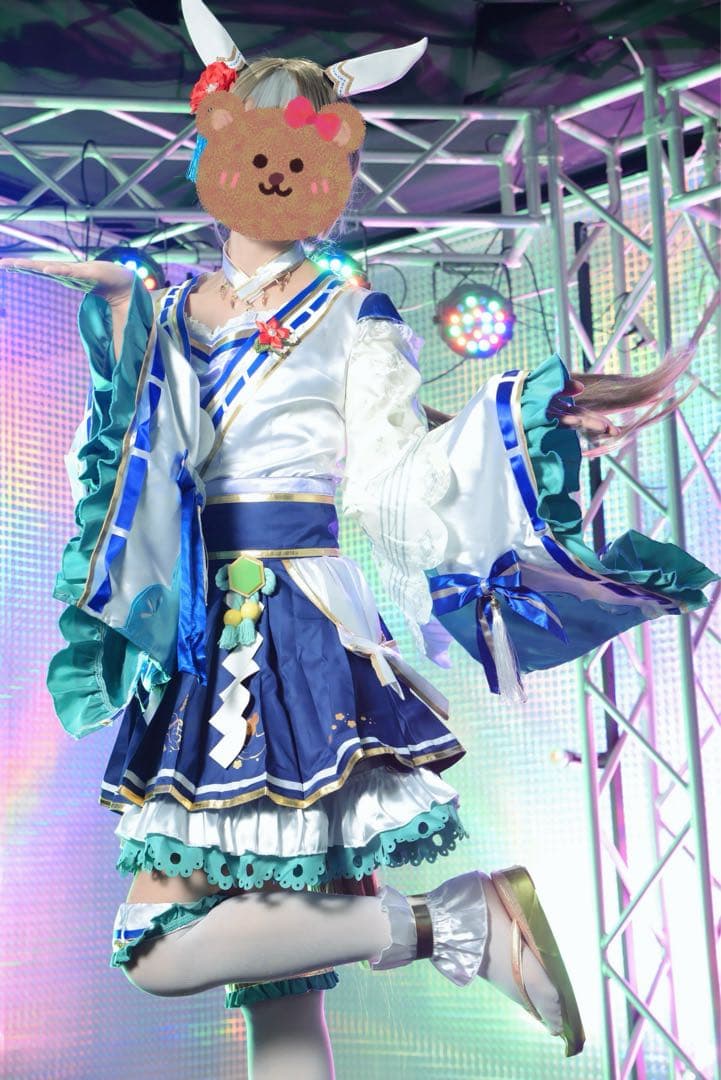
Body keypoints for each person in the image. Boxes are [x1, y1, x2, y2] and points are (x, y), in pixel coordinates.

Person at [2, 2, 715, 1076]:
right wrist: (122, 326)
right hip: (203, 637)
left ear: (329, 174)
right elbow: (130, 471)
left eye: (303, 157)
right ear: (214, 151)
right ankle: (456, 922)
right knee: (279, 1000)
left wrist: (522, 418)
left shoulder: (351, 310)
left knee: (157, 946)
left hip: (297, 634)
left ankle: (454, 922)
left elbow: (392, 481)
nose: (277, 173)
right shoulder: (172, 311)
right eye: (257, 148)